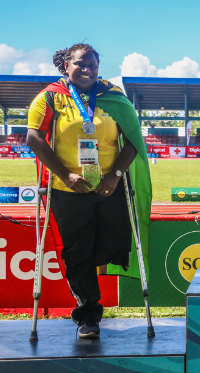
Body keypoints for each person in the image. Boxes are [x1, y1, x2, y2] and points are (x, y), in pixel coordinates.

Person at [27, 43, 151, 339]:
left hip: (110, 188)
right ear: (66, 66)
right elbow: (34, 138)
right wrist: (66, 175)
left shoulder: (114, 96)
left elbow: (134, 139)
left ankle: (92, 292)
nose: (88, 70)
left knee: (114, 242)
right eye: (81, 64)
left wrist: (116, 175)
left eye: (93, 65)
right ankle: (89, 314)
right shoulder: (50, 98)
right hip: (69, 190)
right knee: (78, 251)